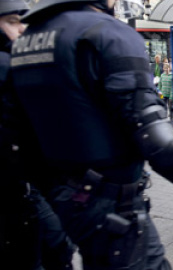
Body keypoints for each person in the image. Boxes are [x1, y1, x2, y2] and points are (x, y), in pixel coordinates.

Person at [10, 1, 173, 269]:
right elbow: (152, 132)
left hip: (63, 194)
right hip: (110, 199)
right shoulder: (106, 31)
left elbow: (19, 132)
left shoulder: (27, 39)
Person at [0, 0, 75, 269]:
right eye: (10, 21)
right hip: (19, 189)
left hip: (27, 186)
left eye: (22, 21)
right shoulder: (9, 67)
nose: (21, 30)